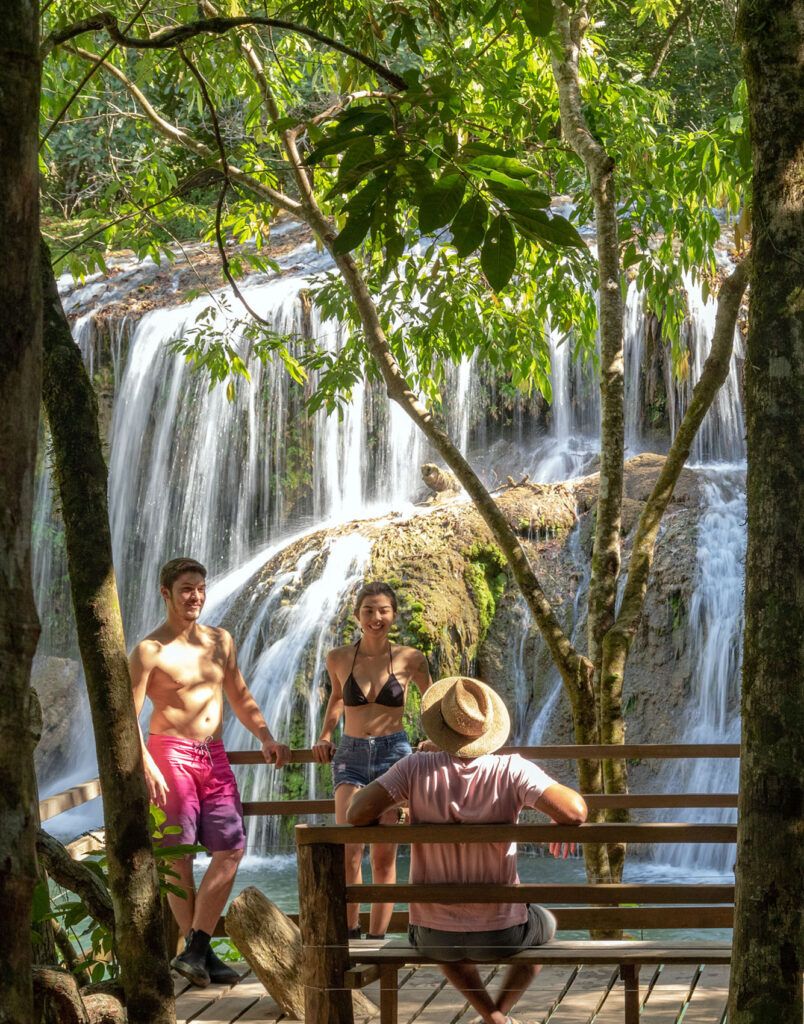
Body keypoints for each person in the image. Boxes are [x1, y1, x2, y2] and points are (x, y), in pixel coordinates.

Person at [347, 675, 588, 1024]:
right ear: (488, 729)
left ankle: (491, 1017)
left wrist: (399, 804)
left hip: (431, 935)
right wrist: (558, 820)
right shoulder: (512, 769)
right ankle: (499, 1014)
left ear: (441, 728)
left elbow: (356, 813)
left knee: (447, 940)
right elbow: (576, 810)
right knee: (545, 926)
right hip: (501, 933)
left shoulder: (414, 769)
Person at [129, 556, 291, 988]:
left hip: (214, 754)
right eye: (186, 588)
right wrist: (146, 763)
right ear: (165, 593)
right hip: (170, 754)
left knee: (232, 847)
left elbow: (239, 693)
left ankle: (196, 948)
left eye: (200, 587)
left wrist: (266, 736)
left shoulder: (220, 640)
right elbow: (127, 717)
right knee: (177, 854)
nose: (195, 596)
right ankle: (197, 948)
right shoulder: (150, 650)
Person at [312, 581, 432, 939]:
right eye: (368, 610)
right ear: (357, 614)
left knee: (383, 857)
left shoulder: (411, 658)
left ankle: (378, 939)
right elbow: (336, 699)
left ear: (393, 614)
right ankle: (350, 931)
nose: (376, 618)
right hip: (349, 755)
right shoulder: (338, 657)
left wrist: (435, 739)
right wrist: (325, 736)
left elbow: (434, 700)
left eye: (383, 610)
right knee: (350, 851)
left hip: (395, 756)